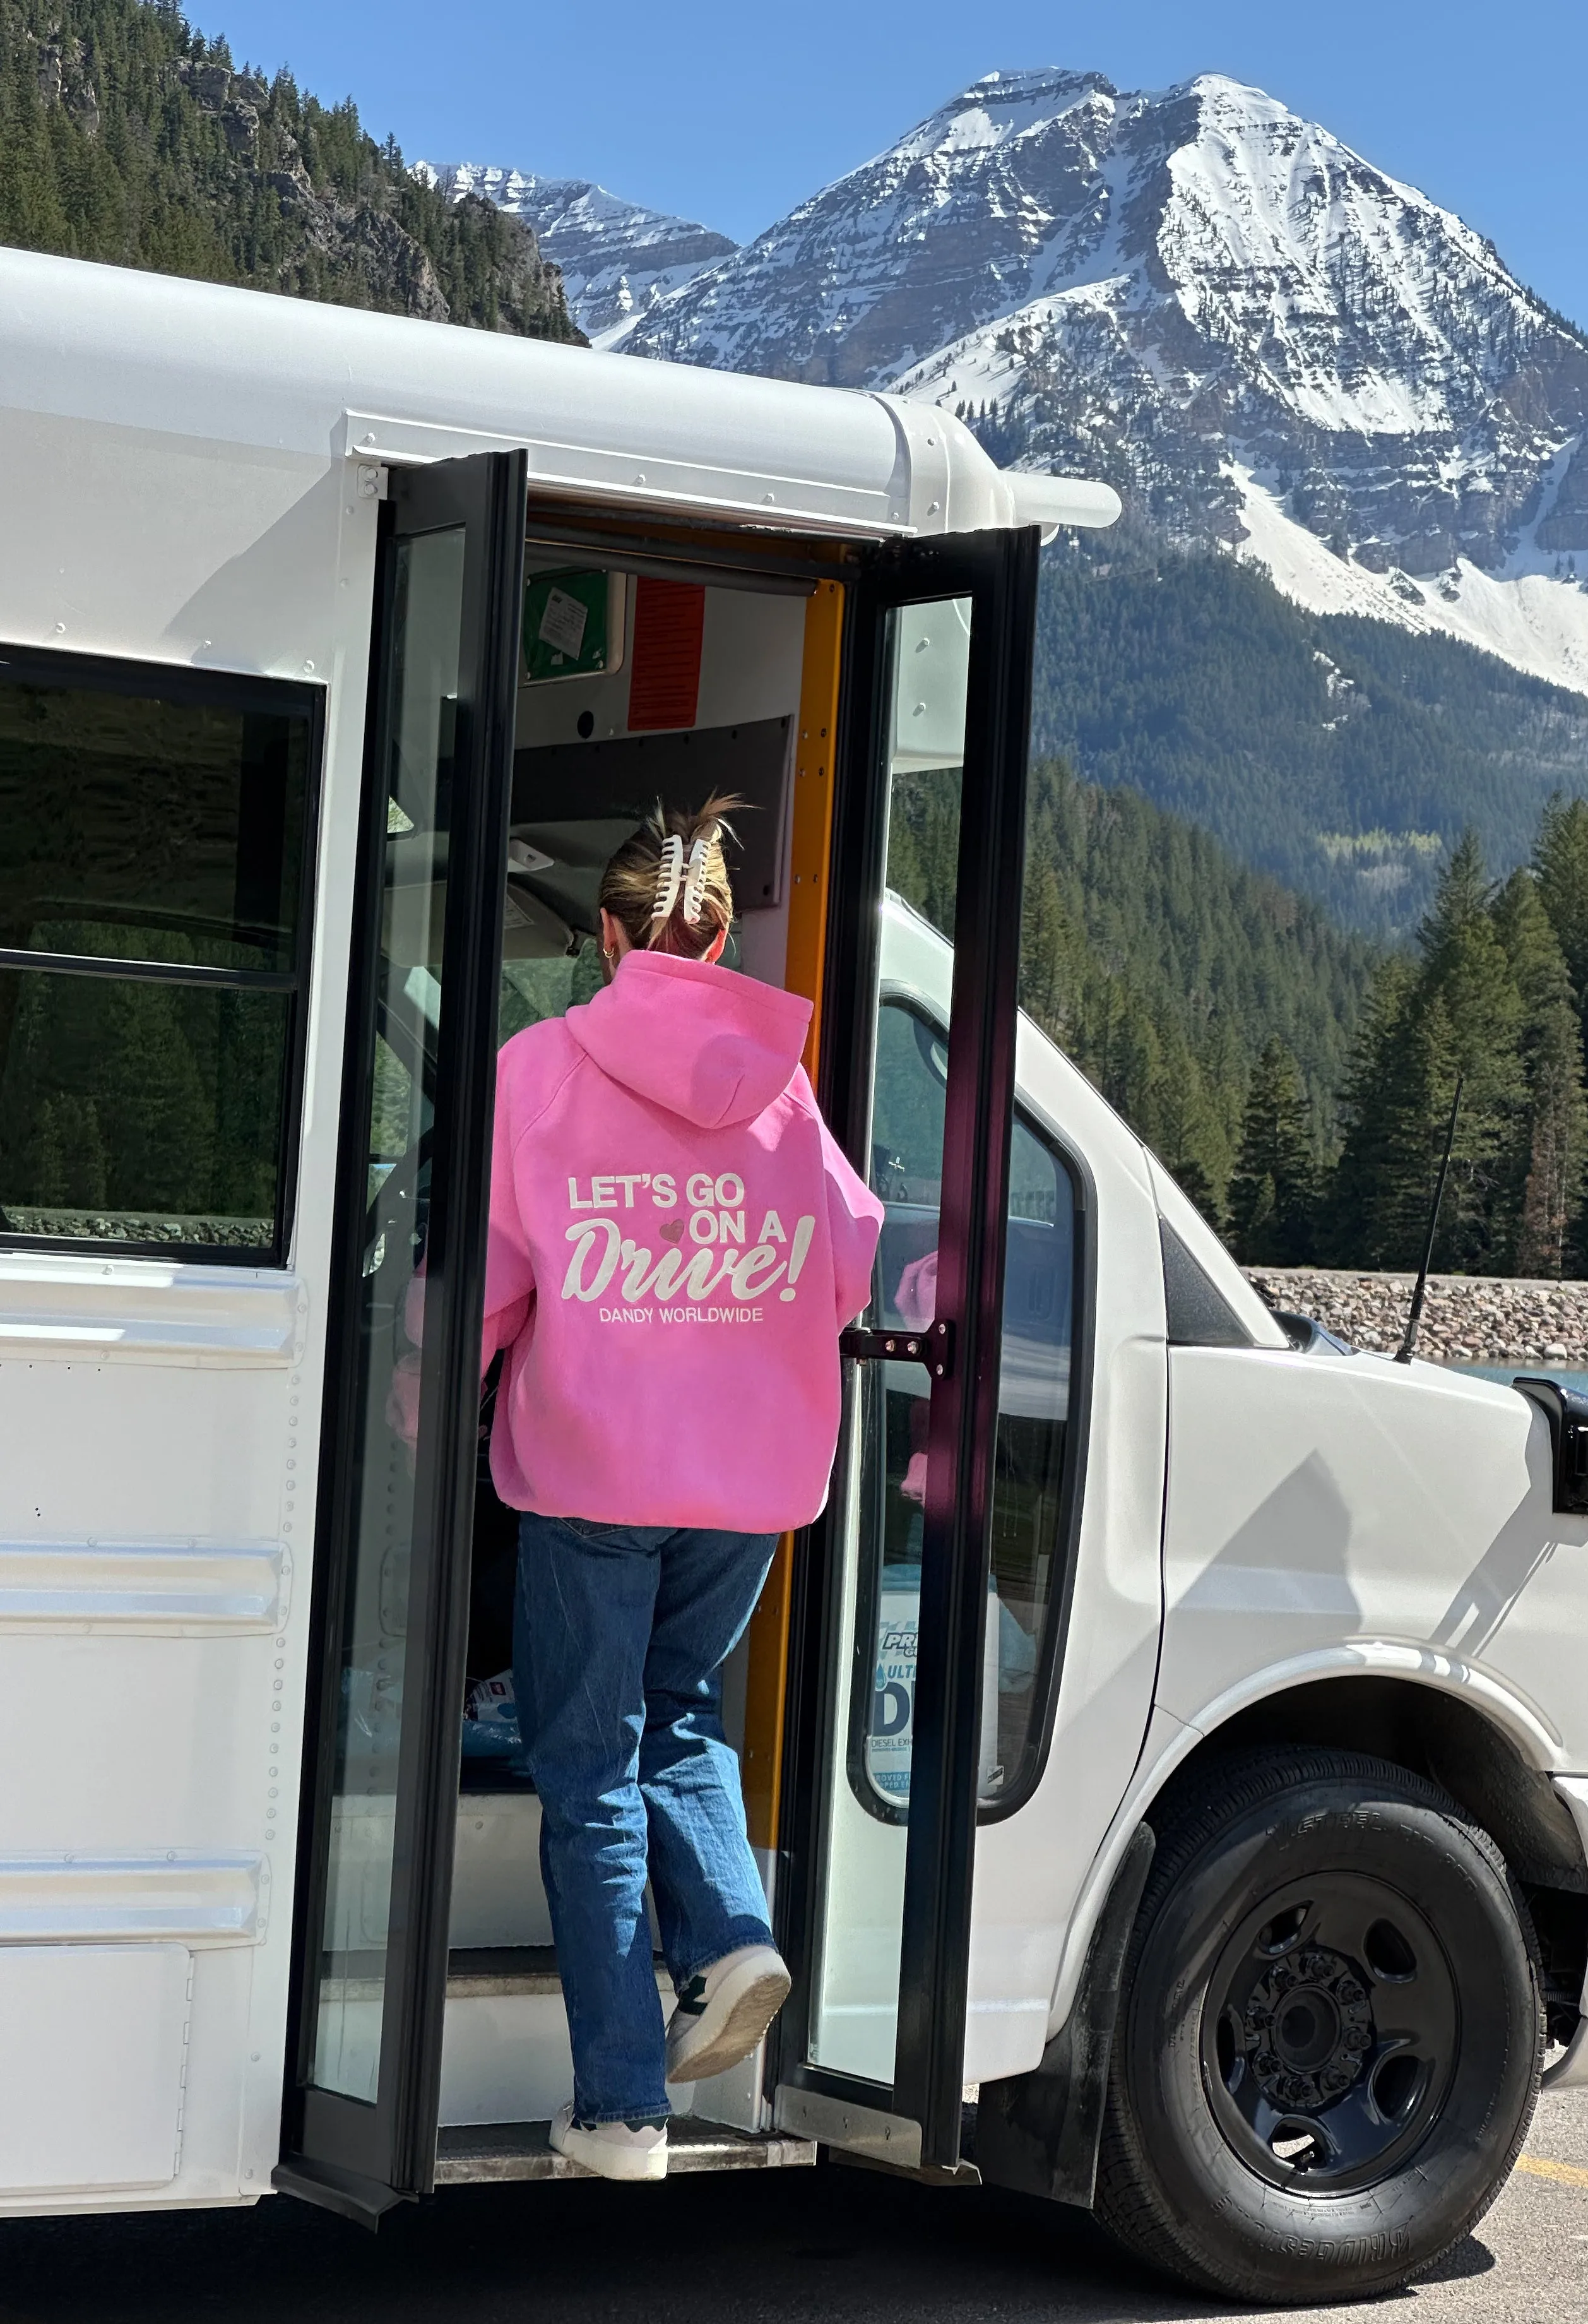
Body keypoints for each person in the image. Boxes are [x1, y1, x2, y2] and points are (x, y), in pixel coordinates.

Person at [480, 792, 883, 2181]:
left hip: (590, 1468)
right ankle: (726, 1931)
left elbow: (482, 1281)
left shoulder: (536, 1069)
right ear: (717, 936)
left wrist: (429, 1391)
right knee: (678, 1709)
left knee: (587, 1763)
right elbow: (844, 1266)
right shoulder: (783, 1087)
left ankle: (621, 2108)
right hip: (747, 1480)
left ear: (607, 935)